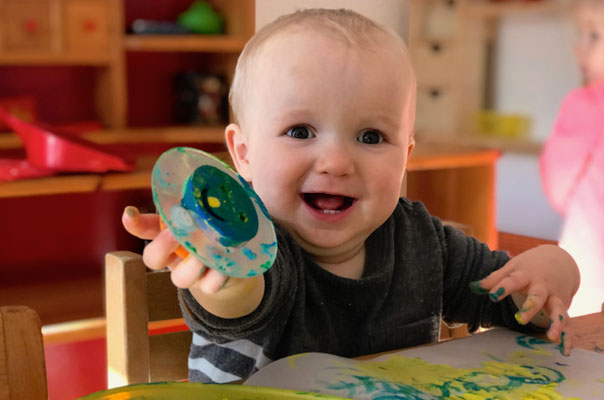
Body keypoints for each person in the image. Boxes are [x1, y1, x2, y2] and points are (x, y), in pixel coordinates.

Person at [123, 9, 579, 383]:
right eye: (300, 131)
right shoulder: (257, 246)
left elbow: (516, 306)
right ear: (243, 153)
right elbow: (243, 300)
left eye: (371, 136)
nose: (336, 161)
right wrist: (222, 266)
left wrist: (554, 272)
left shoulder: (424, 242)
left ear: (406, 155)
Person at [540, 0, 604, 317]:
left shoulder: (586, 104)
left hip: (590, 265)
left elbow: (558, 185)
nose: (579, 48)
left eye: (593, 36)